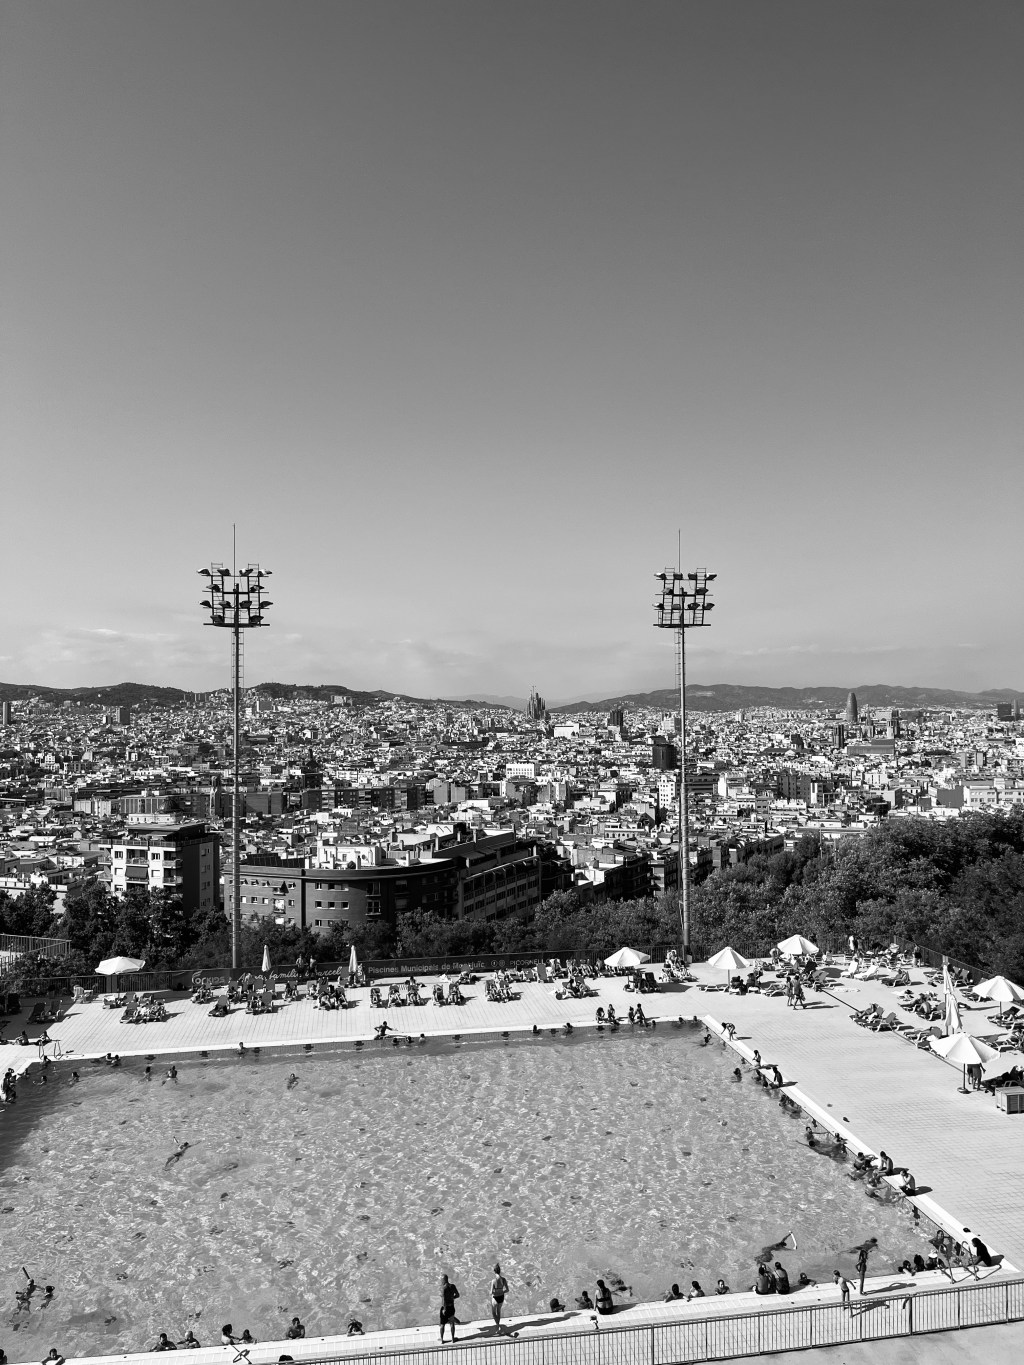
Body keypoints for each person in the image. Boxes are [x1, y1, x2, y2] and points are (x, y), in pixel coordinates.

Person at [440, 1273, 459, 1343]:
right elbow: (457, 1295)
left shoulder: (443, 1288)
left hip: (445, 1308)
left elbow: (443, 1300)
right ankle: (453, 1339)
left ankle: (442, 1340)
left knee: (442, 1324)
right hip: (451, 1307)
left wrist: (444, 1309)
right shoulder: (453, 1286)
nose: (440, 1281)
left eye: (441, 1280)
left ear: (443, 1280)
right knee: (452, 1323)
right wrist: (452, 1298)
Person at [490, 1263, 509, 1332]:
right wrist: (501, 1292)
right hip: (501, 1297)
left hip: (495, 1298)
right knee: (498, 1311)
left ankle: (497, 1325)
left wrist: (495, 1292)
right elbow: (507, 1290)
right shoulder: (504, 1279)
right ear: (499, 1271)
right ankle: (498, 1325)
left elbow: (491, 1292)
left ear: (494, 1271)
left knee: (493, 1313)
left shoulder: (493, 1281)